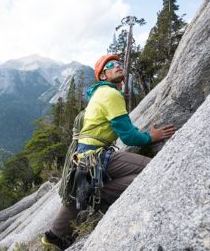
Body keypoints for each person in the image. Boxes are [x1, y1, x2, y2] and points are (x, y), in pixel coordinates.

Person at [41, 54, 176, 250]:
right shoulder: (110, 94)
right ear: (103, 76)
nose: (118, 66)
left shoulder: (100, 94)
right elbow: (129, 137)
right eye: (111, 65)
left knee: (76, 196)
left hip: (86, 158)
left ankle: (53, 234)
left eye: (120, 64)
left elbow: (123, 129)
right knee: (151, 169)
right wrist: (151, 138)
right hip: (97, 156)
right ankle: (99, 194)